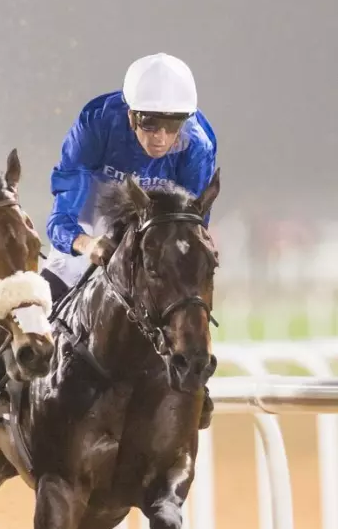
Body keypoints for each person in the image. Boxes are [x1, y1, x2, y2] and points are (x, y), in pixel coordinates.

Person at [41, 52, 218, 427]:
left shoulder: (198, 146)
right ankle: (4, 378)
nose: (162, 138)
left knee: (183, 287)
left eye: (172, 126)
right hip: (96, 209)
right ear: (131, 114)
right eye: (150, 125)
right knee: (58, 279)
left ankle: (195, 375)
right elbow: (60, 219)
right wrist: (87, 245)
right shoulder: (97, 124)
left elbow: (192, 231)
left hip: (156, 221)